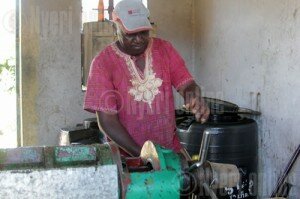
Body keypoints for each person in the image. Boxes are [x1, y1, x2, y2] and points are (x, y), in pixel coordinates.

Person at [84, 0, 210, 158]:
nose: (138, 39)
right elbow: (107, 121)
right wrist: (143, 156)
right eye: (131, 33)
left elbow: (187, 84)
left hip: (169, 151)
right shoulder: (103, 63)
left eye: (143, 32)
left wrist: (194, 97)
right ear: (115, 28)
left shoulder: (165, 50)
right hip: (127, 158)